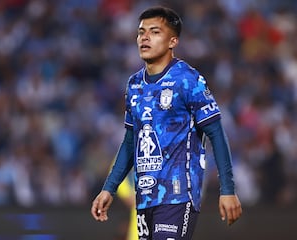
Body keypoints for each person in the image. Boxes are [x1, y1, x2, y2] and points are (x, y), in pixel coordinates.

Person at [91, 6, 242, 240]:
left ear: (172, 41)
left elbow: (216, 133)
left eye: (154, 32)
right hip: (144, 198)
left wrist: (228, 189)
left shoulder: (188, 80)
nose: (145, 38)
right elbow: (131, 142)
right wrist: (109, 188)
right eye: (141, 32)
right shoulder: (134, 85)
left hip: (178, 195)